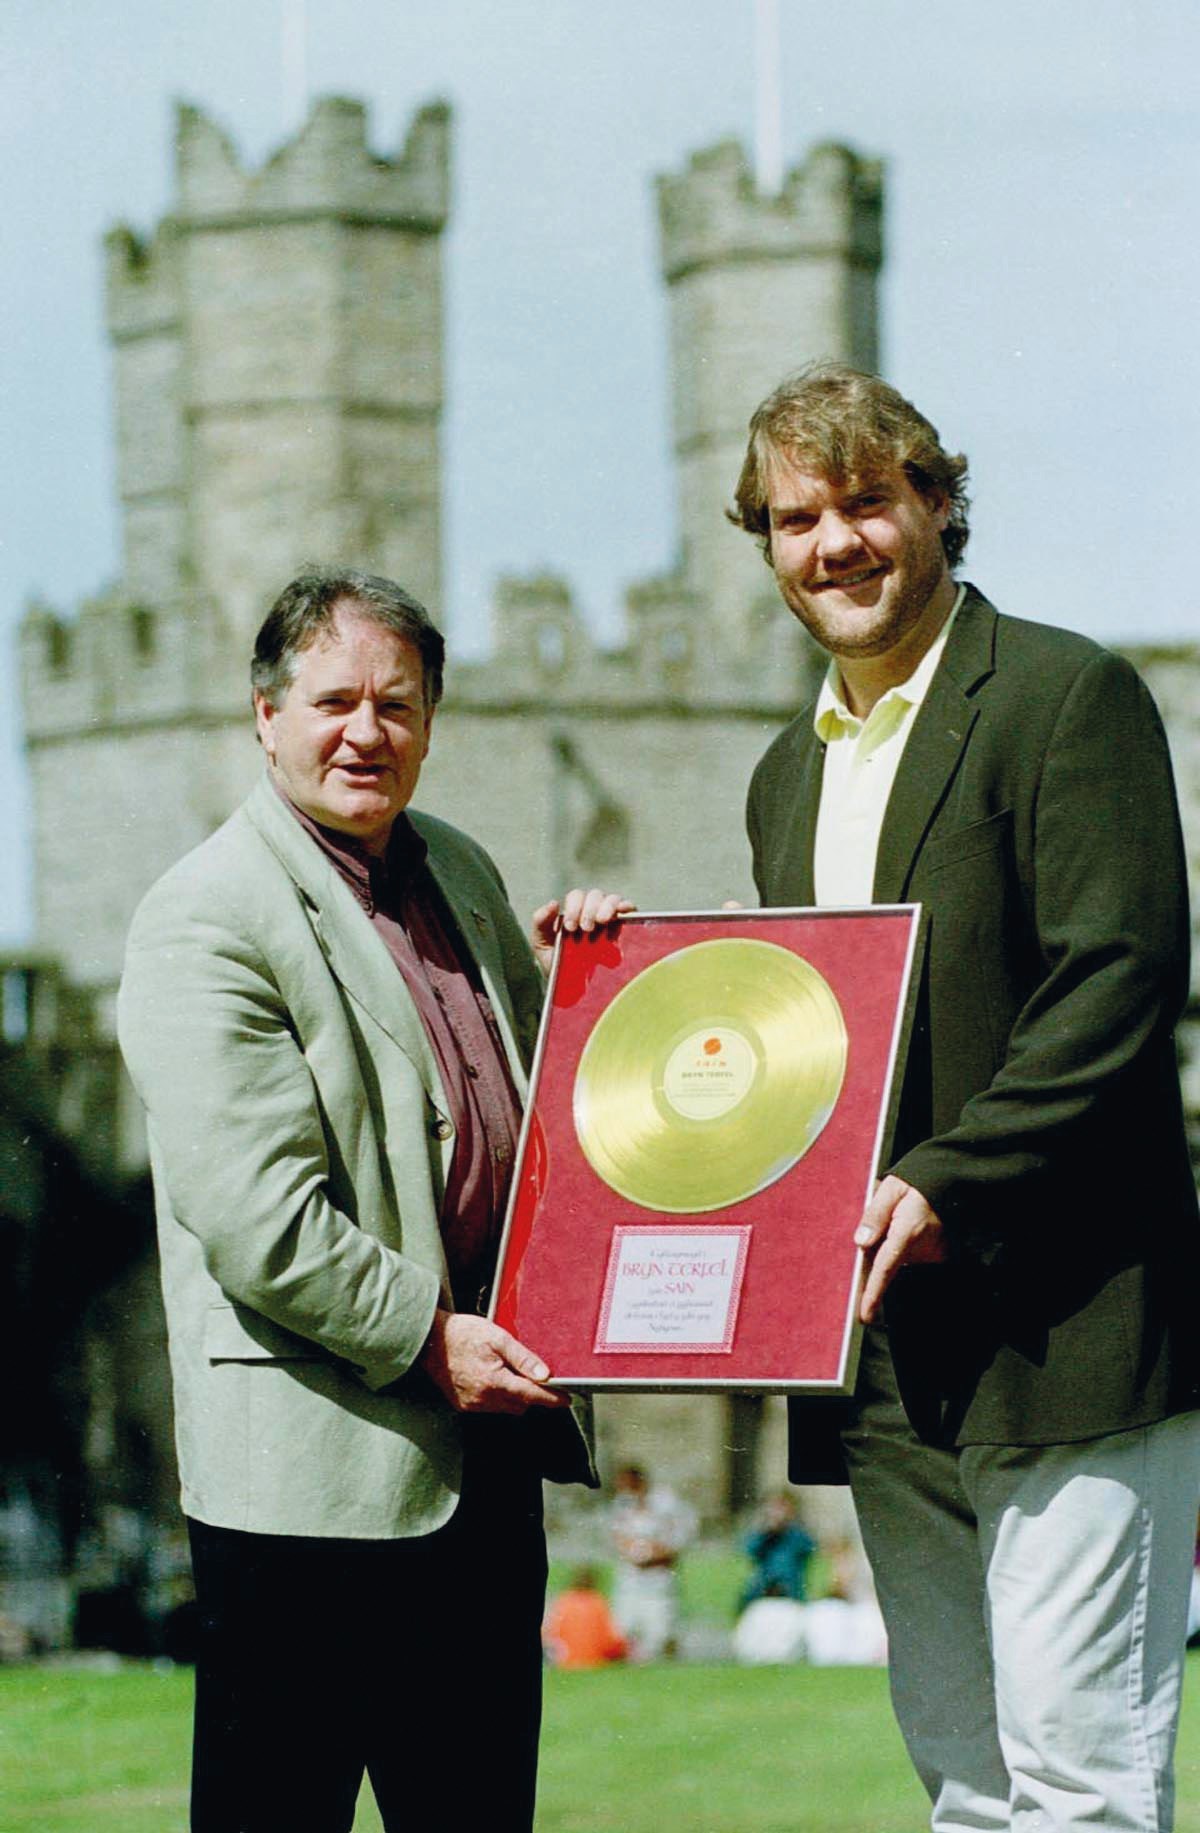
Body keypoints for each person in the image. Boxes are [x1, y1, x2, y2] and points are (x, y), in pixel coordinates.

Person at [730, 364, 1200, 1831]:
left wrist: (949, 1182)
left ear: (938, 507)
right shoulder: (778, 782)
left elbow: (1118, 981)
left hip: (1069, 1336)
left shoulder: (1069, 695)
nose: (835, 544)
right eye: (798, 518)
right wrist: (628, 981)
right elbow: (800, 1051)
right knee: (973, 1784)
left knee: (1082, 1786)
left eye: (868, 502)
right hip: (886, 1366)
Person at [117, 567, 631, 1833]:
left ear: (434, 718)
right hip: (309, 1490)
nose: (366, 732)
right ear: (265, 715)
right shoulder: (205, 915)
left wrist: (614, 973)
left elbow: (544, 1117)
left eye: (396, 704)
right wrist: (432, 1337)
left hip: (482, 1475)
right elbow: (261, 1222)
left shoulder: (457, 866)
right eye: (334, 700)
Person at [607, 1462, 696, 1661]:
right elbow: (618, 1535)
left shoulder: (666, 1503)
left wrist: (653, 1554)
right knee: (624, 1631)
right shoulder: (622, 1503)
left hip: (658, 1580)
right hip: (630, 1580)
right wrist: (632, 1551)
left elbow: (679, 1538)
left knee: (661, 1634)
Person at [739, 1489, 816, 1608]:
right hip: (763, 1591)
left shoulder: (797, 1535)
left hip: (790, 1592)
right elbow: (750, 1550)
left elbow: (809, 1547)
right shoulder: (764, 1536)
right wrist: (767, 1532)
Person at [541, 1566, 628, 1670]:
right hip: (596, 1660)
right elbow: (610, 1641)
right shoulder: (597, 1603)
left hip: (565, 1661)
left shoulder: (564, 1602)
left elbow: (550, 1635)